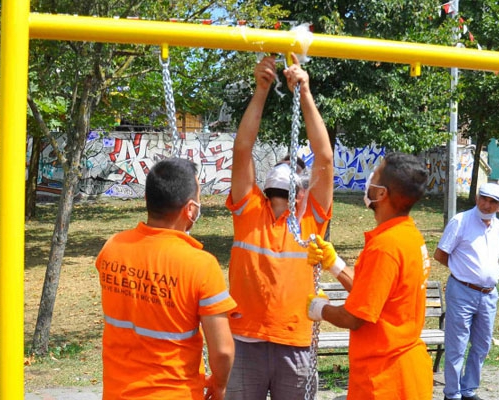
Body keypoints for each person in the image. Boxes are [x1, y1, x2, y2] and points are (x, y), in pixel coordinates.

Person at [225, 55, 336, 399]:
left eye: (296, 166)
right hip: (245, 340)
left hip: (296, 343)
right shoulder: (249, 210)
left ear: (302, 185)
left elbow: (325, 157)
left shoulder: (310, 217)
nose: (288, 169)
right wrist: (261, 91)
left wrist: (304, 93)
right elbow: (242, 150)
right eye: (284, 164)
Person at [95, 158, 236, 400]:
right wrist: (219, 385)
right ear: (190, 209)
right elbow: (222, 350)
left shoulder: (112, 248)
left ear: (148, 200)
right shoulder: (202, 266)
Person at [305, 153, 434, 400]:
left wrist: (319, 308)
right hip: (405, 371)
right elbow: (374, 295)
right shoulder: (408, 235)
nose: (369, 180)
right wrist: (335, 264)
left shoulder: (385, 247)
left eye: (374, 176)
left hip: (384, 378)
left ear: (382, 193)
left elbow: (354, 318)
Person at [434, 182, 499, 400]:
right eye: (483, 199)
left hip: (488, 294)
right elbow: (440, 254)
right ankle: (452, 393)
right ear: (477, 198)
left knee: (482, 344)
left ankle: (468, 389)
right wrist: (462, 271)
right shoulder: (460, 221)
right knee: (457, 344)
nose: (486, 204)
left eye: (493, 202)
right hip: (462, 291)